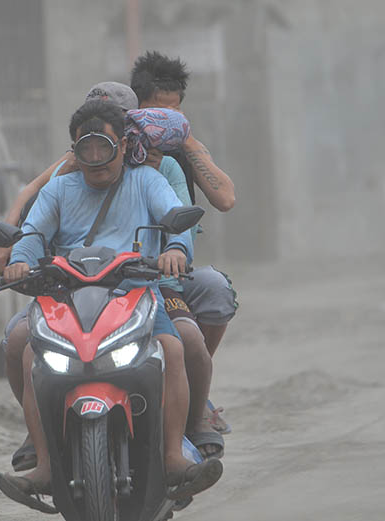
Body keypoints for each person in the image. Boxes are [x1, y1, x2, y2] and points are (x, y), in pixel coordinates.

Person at [0, 101, 222, 511]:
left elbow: (176, 221)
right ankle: (45, 462)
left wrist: (173, 248)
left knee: (171, 348)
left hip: (135, 292)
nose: (96, 160)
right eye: (87, 150)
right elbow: (31, 233)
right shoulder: (59, 188)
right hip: (65, 297)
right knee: (30, 353)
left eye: (104, 148)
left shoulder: (147, 181)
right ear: (74, 150)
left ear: (123, 145)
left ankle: (172, 456)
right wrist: (20, 260)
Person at [131, 51, 238, 435]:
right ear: (135, 106)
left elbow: (225, 199)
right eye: (156, 113)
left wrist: (186, 139)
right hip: (116, 274)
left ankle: (193, 388)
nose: (163, 124)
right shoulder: (110, 150)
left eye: (173, 114)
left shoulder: (178, 156)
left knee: (216, 291)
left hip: (169, 272)